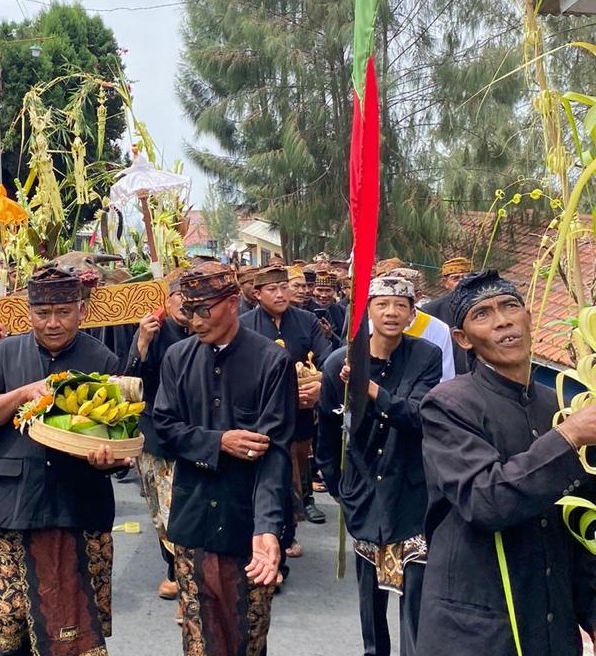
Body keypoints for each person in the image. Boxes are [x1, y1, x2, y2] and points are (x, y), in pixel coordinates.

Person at [417, 270, 596, 655]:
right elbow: (486, 501)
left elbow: (581, 523)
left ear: (529, 317)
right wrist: (568, 437)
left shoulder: (562, 404)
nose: (502, 321)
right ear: (463, 339)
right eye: (482, 314)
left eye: (510, 307)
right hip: (477, 625)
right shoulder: (447, 405)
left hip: (550, 621)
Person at [0, 266, 123, 656]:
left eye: (64, 312)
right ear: (28, 311)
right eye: (43, 313)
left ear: (81, 310)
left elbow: (122, 436)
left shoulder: (101, 358)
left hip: (80, 504)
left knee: (79, 615)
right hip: (18, 503)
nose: (53, 323)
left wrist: (109, 461)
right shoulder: (6, 353)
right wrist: (22, 394)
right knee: (12, 617)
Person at [152, 262, 294, 656]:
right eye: (186, 311)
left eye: (204, 310)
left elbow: (276, 452)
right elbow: (163, 428)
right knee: (200, 637)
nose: (195, 321)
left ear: (232, 303)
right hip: (193, 517)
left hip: (245, 518)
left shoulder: (271, 361)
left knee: (248, 637)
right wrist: (217, 443)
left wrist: (267, 527)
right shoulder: (177, 358)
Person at [316, 276, 442, 656]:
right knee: (370, 602)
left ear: (411, 312)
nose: (391, 312)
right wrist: (343, 490)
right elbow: (327, 434)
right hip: (365, 493)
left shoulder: (426, 356)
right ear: (367, 310)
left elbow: (418, 417)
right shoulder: (338, 362)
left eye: (400, 305)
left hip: (411, 492)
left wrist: (369, 388)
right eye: (382, 304)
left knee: (415, 600)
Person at [240, 265, 333, 541]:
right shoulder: (245, 324)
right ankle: (274, 529)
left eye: (283, 288)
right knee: (270, 466)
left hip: (303, 407)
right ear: (257, 294)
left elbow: (326, 358)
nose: (280, 295)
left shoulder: (306, 320)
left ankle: (298, 512)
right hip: (264, 409)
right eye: (272, 289)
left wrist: (318, 386)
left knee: (299, 460)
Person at [124, 268, 191, 610]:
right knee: (161, 513)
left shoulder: (204, 332)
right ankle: (175, 570)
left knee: (183, 509)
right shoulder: (153, 330)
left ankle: (187, 580)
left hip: (193, 434)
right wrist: (143, 342)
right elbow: (132, 381)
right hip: (155, 434)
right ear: (166, 299)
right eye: (178, 295)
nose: (185, 303)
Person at [421, 257, 473, 374]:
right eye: (455, 278)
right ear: (445, 283)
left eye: (466, 277)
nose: (462, 282)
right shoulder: (431, 309)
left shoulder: (483, 305)